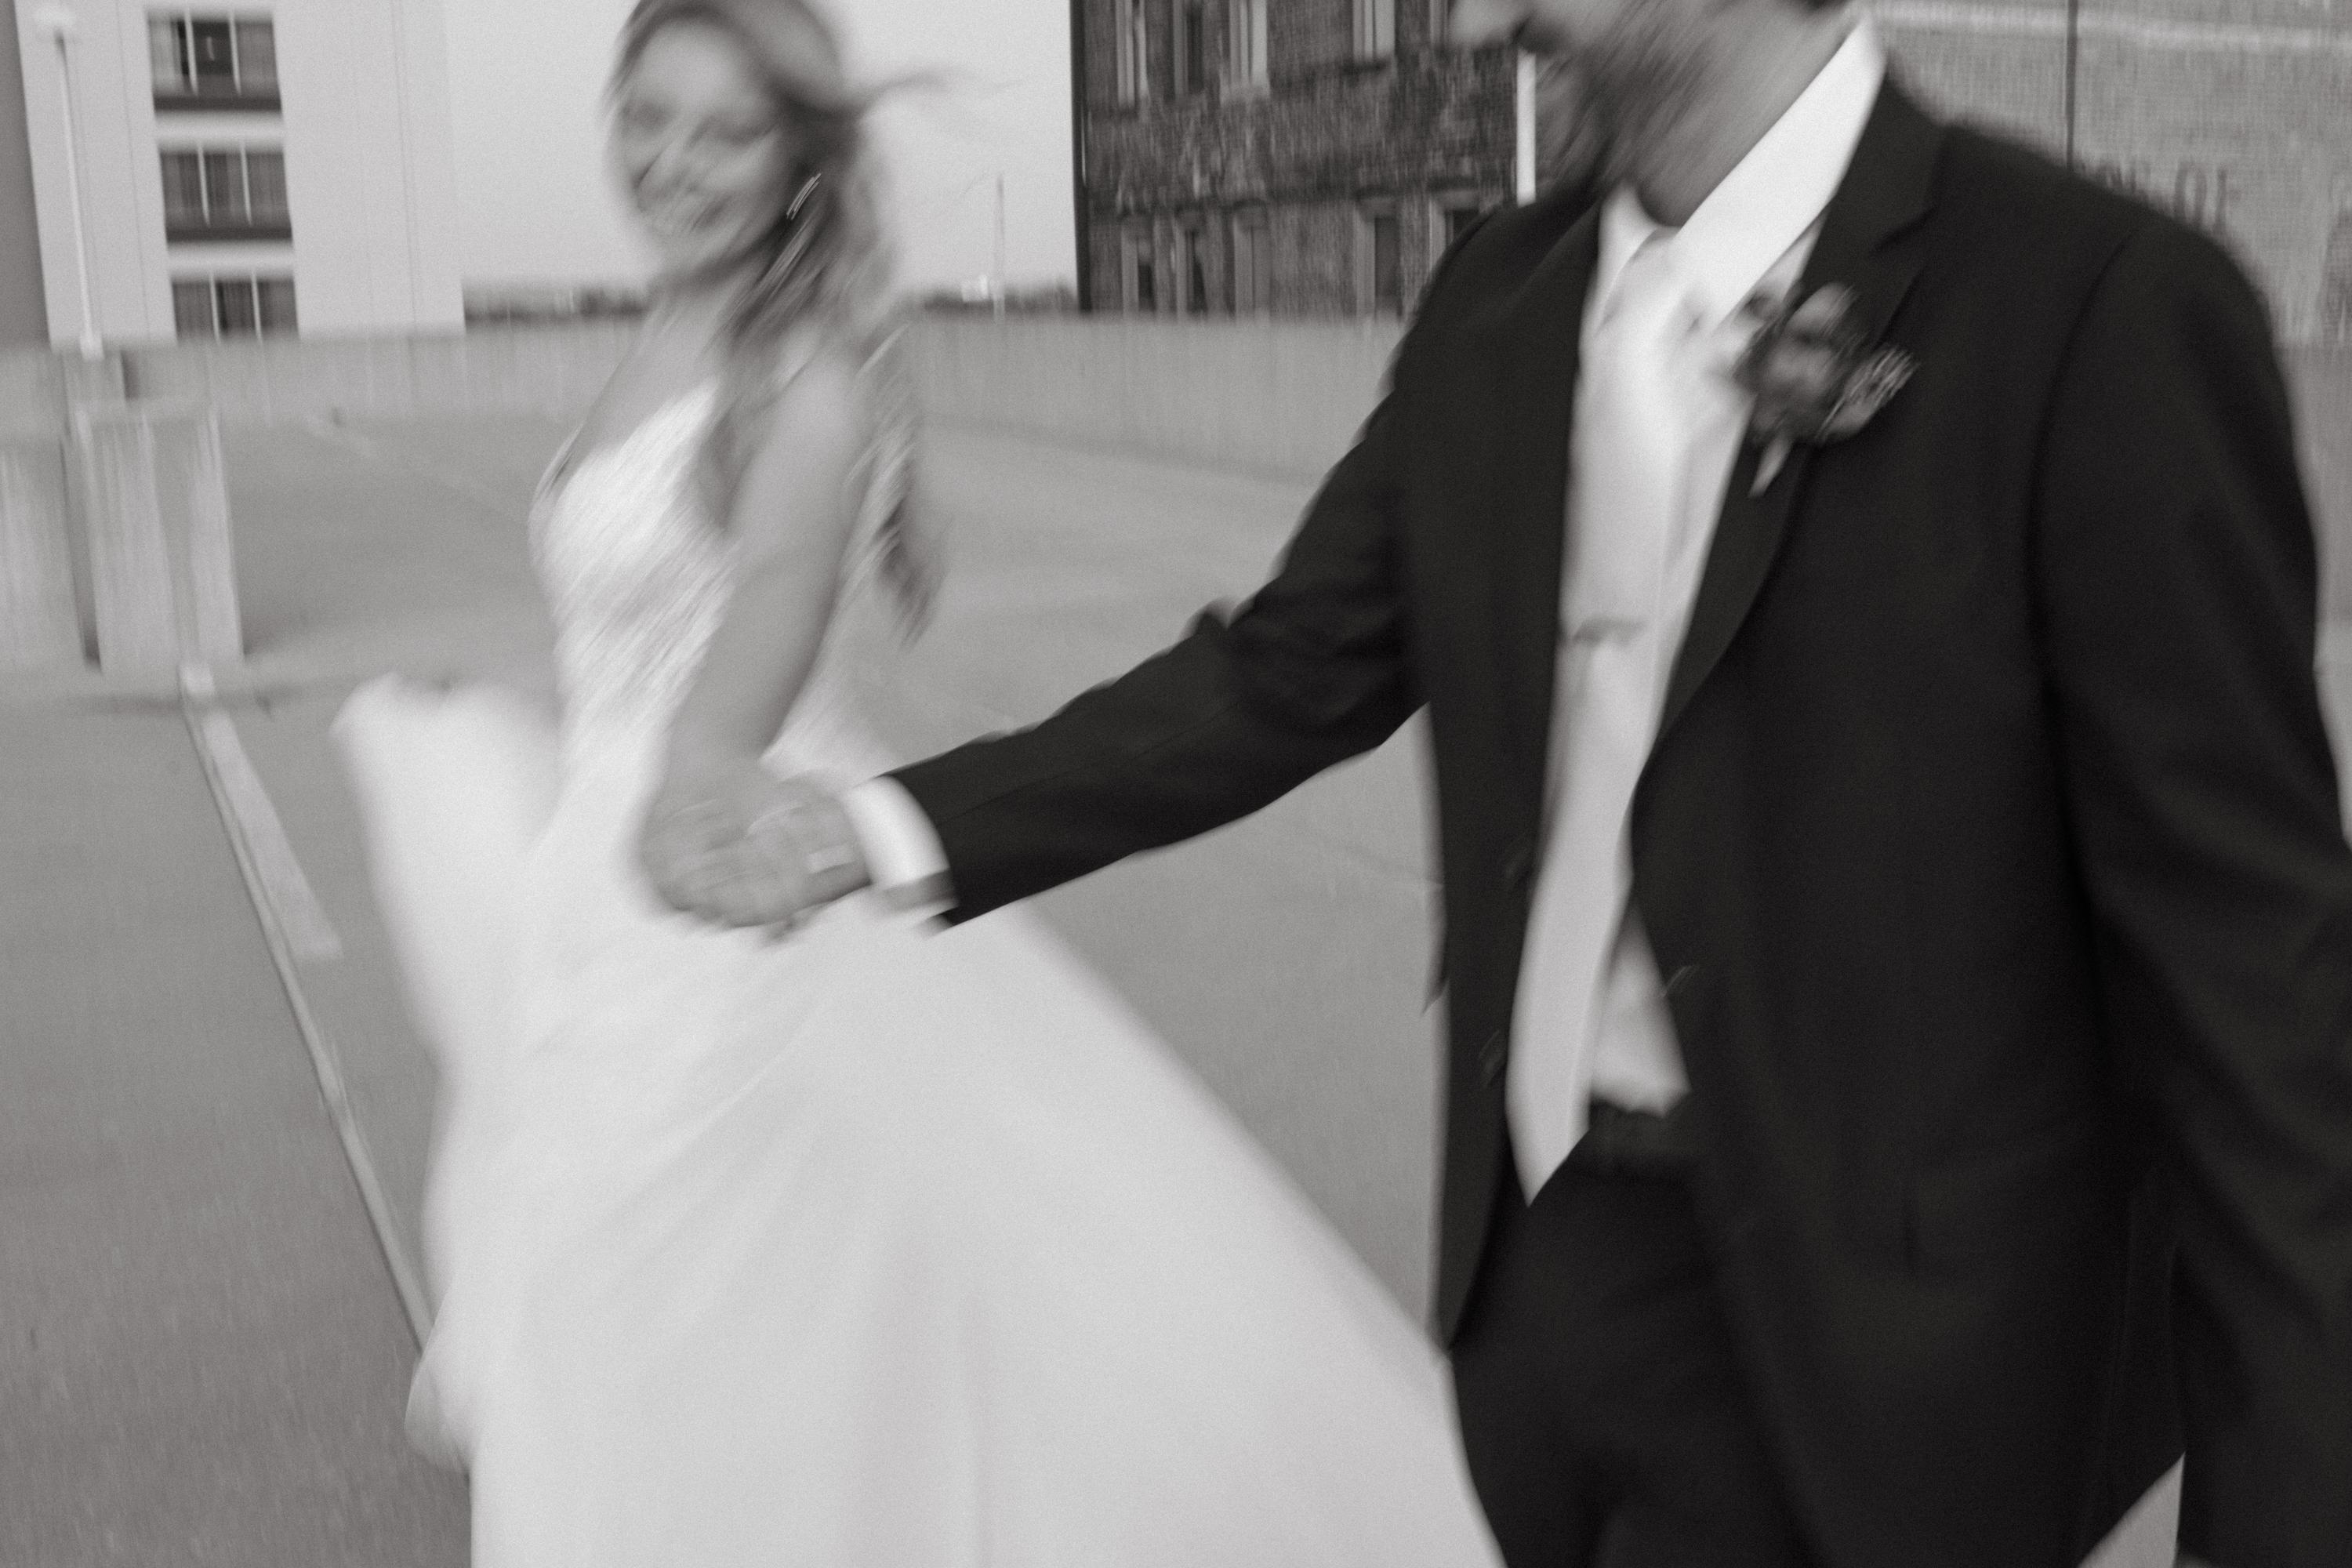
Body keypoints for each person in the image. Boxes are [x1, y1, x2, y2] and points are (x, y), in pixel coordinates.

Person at [667, 0, 2352, 1564]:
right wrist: (872, 827)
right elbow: (1284, 674)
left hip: (1896, 1370)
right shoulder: (1499, 295)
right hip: (1545, 1294)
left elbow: (2260, 1003)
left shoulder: (2094, 306)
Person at [331, 2, 1509, 1564]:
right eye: (649, 116)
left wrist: (690, 783)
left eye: (726, 133)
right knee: (664, 1315)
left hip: (720, 900)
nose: (672, 162)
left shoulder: (806, 384)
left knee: (712, 1302)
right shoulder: (658, 335)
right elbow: (627, 638)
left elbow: (764, 615)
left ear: (802, 166)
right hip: (596, 883)